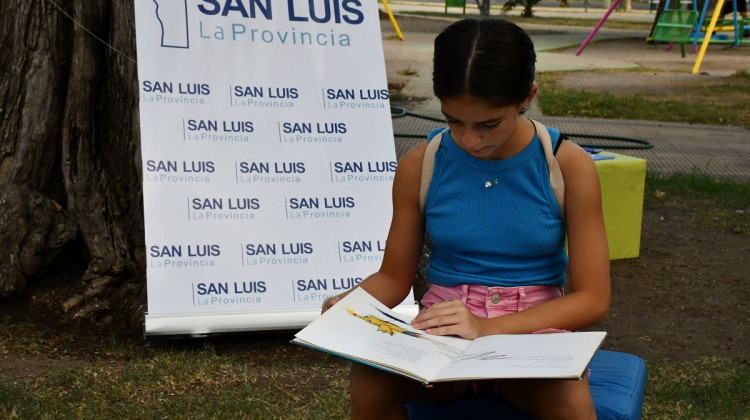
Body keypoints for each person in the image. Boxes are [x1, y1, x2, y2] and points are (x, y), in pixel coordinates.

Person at [322, 17, 610, 420]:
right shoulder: (421, 165)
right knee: (370, 381)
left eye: (489, 124)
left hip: (532, 334)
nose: (470, 140)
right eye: (453, 120)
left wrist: (488, 328)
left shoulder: (566, 166)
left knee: (569, 400)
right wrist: (348, 306)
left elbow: (593, 298)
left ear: (527, 96)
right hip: (443, 331)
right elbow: (392, 278)